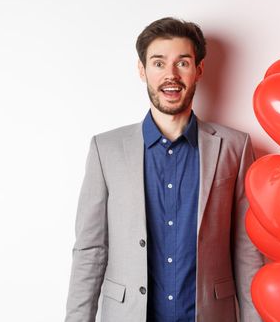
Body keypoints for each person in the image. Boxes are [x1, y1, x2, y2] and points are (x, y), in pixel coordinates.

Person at [65, 17, 264, 322]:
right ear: (142, 70)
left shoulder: (234, 147)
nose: (171, 75)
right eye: (158, 63)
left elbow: (247, 251)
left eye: (182, 63)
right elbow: (90, 251)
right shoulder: (106, 150)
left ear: (198, 69)